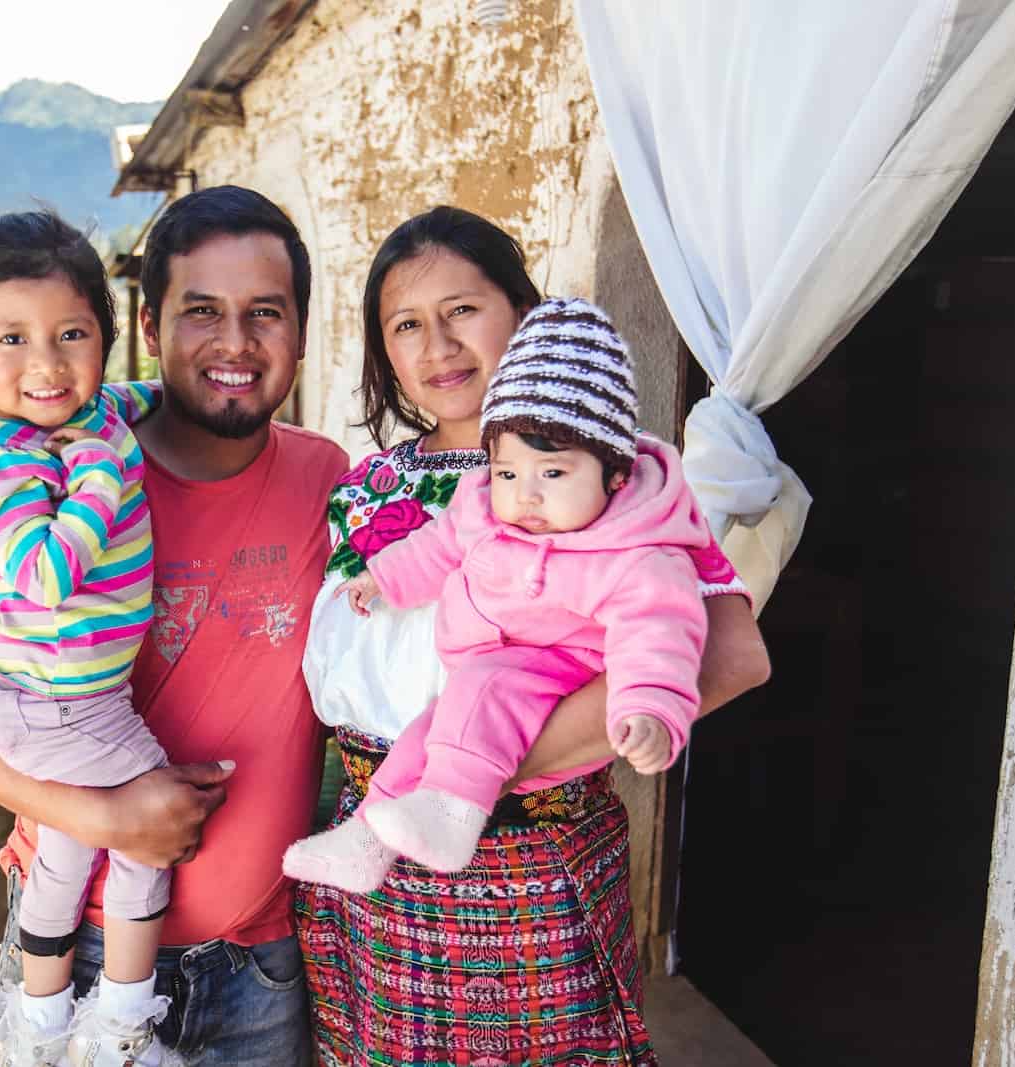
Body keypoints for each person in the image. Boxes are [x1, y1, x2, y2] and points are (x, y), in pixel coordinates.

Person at [294, 207, 769, 1066]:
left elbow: (732, 656)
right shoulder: (367, 486)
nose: (437, 345)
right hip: (372, 868)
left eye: (463, 309)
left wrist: (475, 768)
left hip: (528, 862)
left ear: (522, 311)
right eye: (407, 324)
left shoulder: (610, 477)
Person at [0, 186, 349, 1066]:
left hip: (259, 964)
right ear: (150, 327)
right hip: (72, 951)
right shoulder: (48, 469)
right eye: (202, 312)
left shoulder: (331, 482)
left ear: (303, 330)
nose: (235, 342)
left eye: (264, 312)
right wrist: (109, 815)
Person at [287, 295, 712, 893]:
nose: (526, 496)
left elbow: (661, 632)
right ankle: (364, 841)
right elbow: (438, 547)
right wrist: (383, 578)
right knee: (419, 740)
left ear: (615, 476)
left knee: (478, 698)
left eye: (554, 474)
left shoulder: (636, 550)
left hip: (560, 677)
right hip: (482, 680)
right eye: (510, 473)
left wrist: (649, 708)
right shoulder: (486, 503)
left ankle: (451, 812)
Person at [0, 210, 180, 1066]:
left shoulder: (98, 408)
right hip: (52, 705)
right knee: (153, 832)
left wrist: (173, 400)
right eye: (11, 339)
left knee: (65, 854)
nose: (46, 363)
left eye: (73, 333)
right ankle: (122, 1030)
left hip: (68, 699)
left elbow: (141, 402)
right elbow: (42, 574)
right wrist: (104, 474)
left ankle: (37, 1027)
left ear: (106, 338)